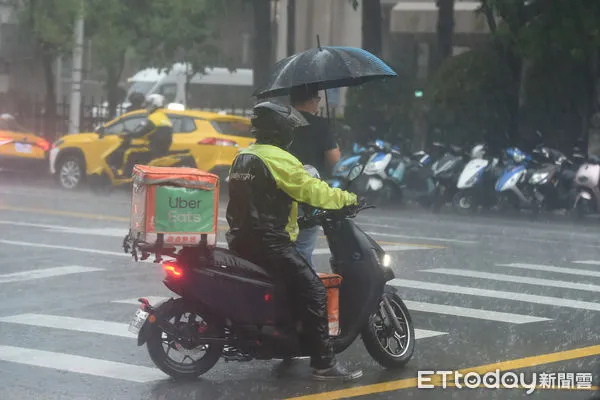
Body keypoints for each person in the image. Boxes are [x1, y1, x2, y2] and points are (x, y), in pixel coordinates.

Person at [225, 101, 363, 382]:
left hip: (241, 240)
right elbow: (311, 190)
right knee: (314, 291)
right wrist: (348, 199)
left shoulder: (243, 156)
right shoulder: (278, 159)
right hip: (271, 244)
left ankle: (287, 344)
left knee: (290, 289)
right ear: (280, 130)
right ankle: (324, 364)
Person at [288, 84, 341, 269]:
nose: (318, 103)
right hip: (308, 196)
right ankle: (304, 293)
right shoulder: (319, 124)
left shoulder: (280, 122)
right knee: (302, 248)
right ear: (310, 100)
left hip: (279, 193)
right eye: (317, 99)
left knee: (281, 246)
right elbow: (334, 159)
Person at [118, 94, 173, 177]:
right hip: (161, 150)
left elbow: (142, 132)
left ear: (155, 105)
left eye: (149, 104)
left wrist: (130, 135)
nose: (146, 106)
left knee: (131, 154)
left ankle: (126, 177)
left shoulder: (153, 118)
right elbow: (151, 132)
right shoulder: (163, 117)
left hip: (153, 150)